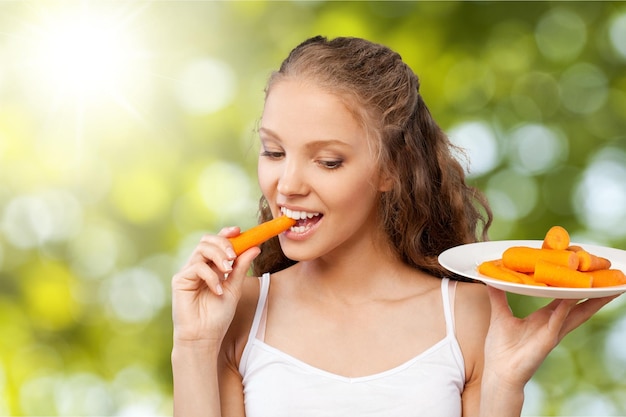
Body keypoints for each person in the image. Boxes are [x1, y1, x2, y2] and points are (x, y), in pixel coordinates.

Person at [171, 36, 617, 417]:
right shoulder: (237, 316)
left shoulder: (468, 315)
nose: (287, 185)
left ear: (391, 170)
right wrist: (193, 345)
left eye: (328, 161)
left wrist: (505, 388)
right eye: (272, 152)